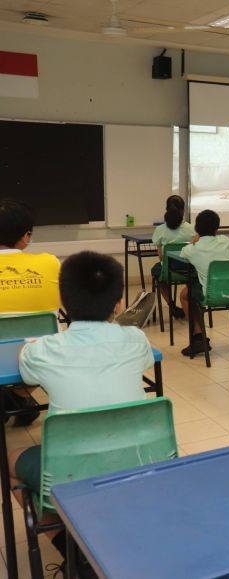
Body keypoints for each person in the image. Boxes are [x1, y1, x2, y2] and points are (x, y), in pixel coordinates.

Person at [10, 250, 153, 570]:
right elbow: (143, 362)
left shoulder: (45, 349)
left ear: (63, 303)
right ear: (118, 303)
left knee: (9, 459)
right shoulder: (137, 339)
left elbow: (25, 367)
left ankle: (73, 554)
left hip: (70, 477)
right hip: (142, 467)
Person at [0, 198, 61, 426]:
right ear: (26, 236)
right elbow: (62, 305)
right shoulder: (50, 263)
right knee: (50, 336)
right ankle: (19, 396)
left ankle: (12, 399)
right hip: (39, 353)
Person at [179, 209, 229, 355]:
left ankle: (198, 338)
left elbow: (182, 254)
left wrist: (193, 241)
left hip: (210, 295)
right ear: (217, 228)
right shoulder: (225, 241)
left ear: (196, 228)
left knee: (185, 294)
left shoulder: (191, 249)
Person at [151, 195, 196, 319]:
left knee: (156, 272)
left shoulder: (160, 230)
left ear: (167, 210)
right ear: (183, 211)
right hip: (189, 270)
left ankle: (171, 306)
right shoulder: (192, 229)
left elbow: (160, 257)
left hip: (168, 271)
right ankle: (189, 302)